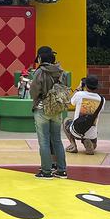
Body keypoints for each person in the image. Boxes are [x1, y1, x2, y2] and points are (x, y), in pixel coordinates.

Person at [29, 46, 67, 179]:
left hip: (42, 108)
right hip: (57, 109)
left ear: (40, 57)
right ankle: (62, 170)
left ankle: (46, 171)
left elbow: (34, 90)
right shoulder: (60, 70)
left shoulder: (40, 72)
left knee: (44, 141)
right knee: (57, 140)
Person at [64, 75, 103, 155]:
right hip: (92, 133)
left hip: (77, 130)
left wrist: (78, 88)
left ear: (85, 85)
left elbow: (70, 101)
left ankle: (73, 145)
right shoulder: (102, 99)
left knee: (66, 121)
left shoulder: (79, 95)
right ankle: (90, 143)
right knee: (93, 139)